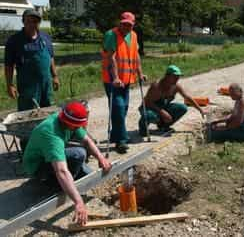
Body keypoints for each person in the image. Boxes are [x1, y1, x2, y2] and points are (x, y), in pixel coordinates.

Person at [23, 101, 112, 226]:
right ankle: (55, 185)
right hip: (38, 166)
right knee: (78, 154)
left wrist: (101, 158)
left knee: (88, 172)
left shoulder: (67, 121)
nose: (78, 129)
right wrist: (78, 202)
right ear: (69, 122)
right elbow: (61, 171)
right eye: (76, 126)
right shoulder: (51, 134)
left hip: (47, 157)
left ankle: (70, 183)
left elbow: (87, 141)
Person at [102, 12, 146, 154]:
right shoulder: (111, 35)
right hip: (112, 81)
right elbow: (111, 57)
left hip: (127, 80)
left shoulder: (133, 36)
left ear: (133, 25)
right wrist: (115, 77)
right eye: (124, 24)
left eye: (129, 25)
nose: (126, 27)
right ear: (120, 23)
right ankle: (121, 141)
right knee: (119, 107)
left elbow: (136, 55)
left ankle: (116, 134)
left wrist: (140, 73)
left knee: (123, 108)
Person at [4, 9, 60, 111]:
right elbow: (9, 65)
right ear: (23, 22)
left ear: (39, 23)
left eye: (35, 22)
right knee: (28, 113)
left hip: (46, 85)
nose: (32, 24)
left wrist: (55, 76)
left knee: (48, 111)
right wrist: (10, 85)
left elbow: (51, 58)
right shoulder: (14, 41)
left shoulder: (45, 38)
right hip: (28, 87)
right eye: (28, 21)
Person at [138, 65, 205, 136]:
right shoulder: (156, 86)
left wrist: (200, 109)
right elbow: (148, 102)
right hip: (149, 107)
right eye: (175, 77)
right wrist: (163, 112)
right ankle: (143, 129)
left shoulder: (176, 86)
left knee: (182, 108)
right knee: (149, 115)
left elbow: (187, 97)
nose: (177, 79)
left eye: (178, 77)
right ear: (167, 76)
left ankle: (163, 126)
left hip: (162, 107)